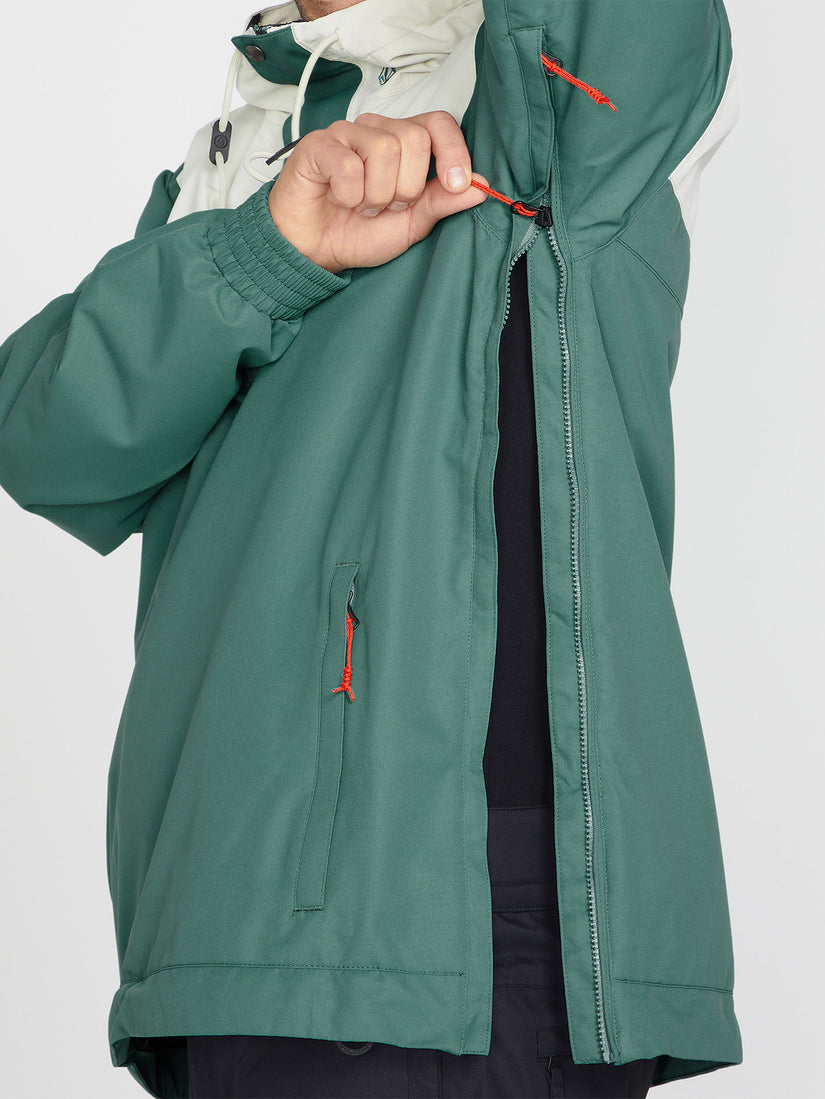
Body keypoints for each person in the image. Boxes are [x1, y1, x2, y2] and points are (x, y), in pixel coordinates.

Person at [0, 1, 744, 1096]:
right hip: (221, 933)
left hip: (449, 927)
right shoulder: (244, 134)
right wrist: (271, 249)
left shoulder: (555, 87)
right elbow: (52, 447)